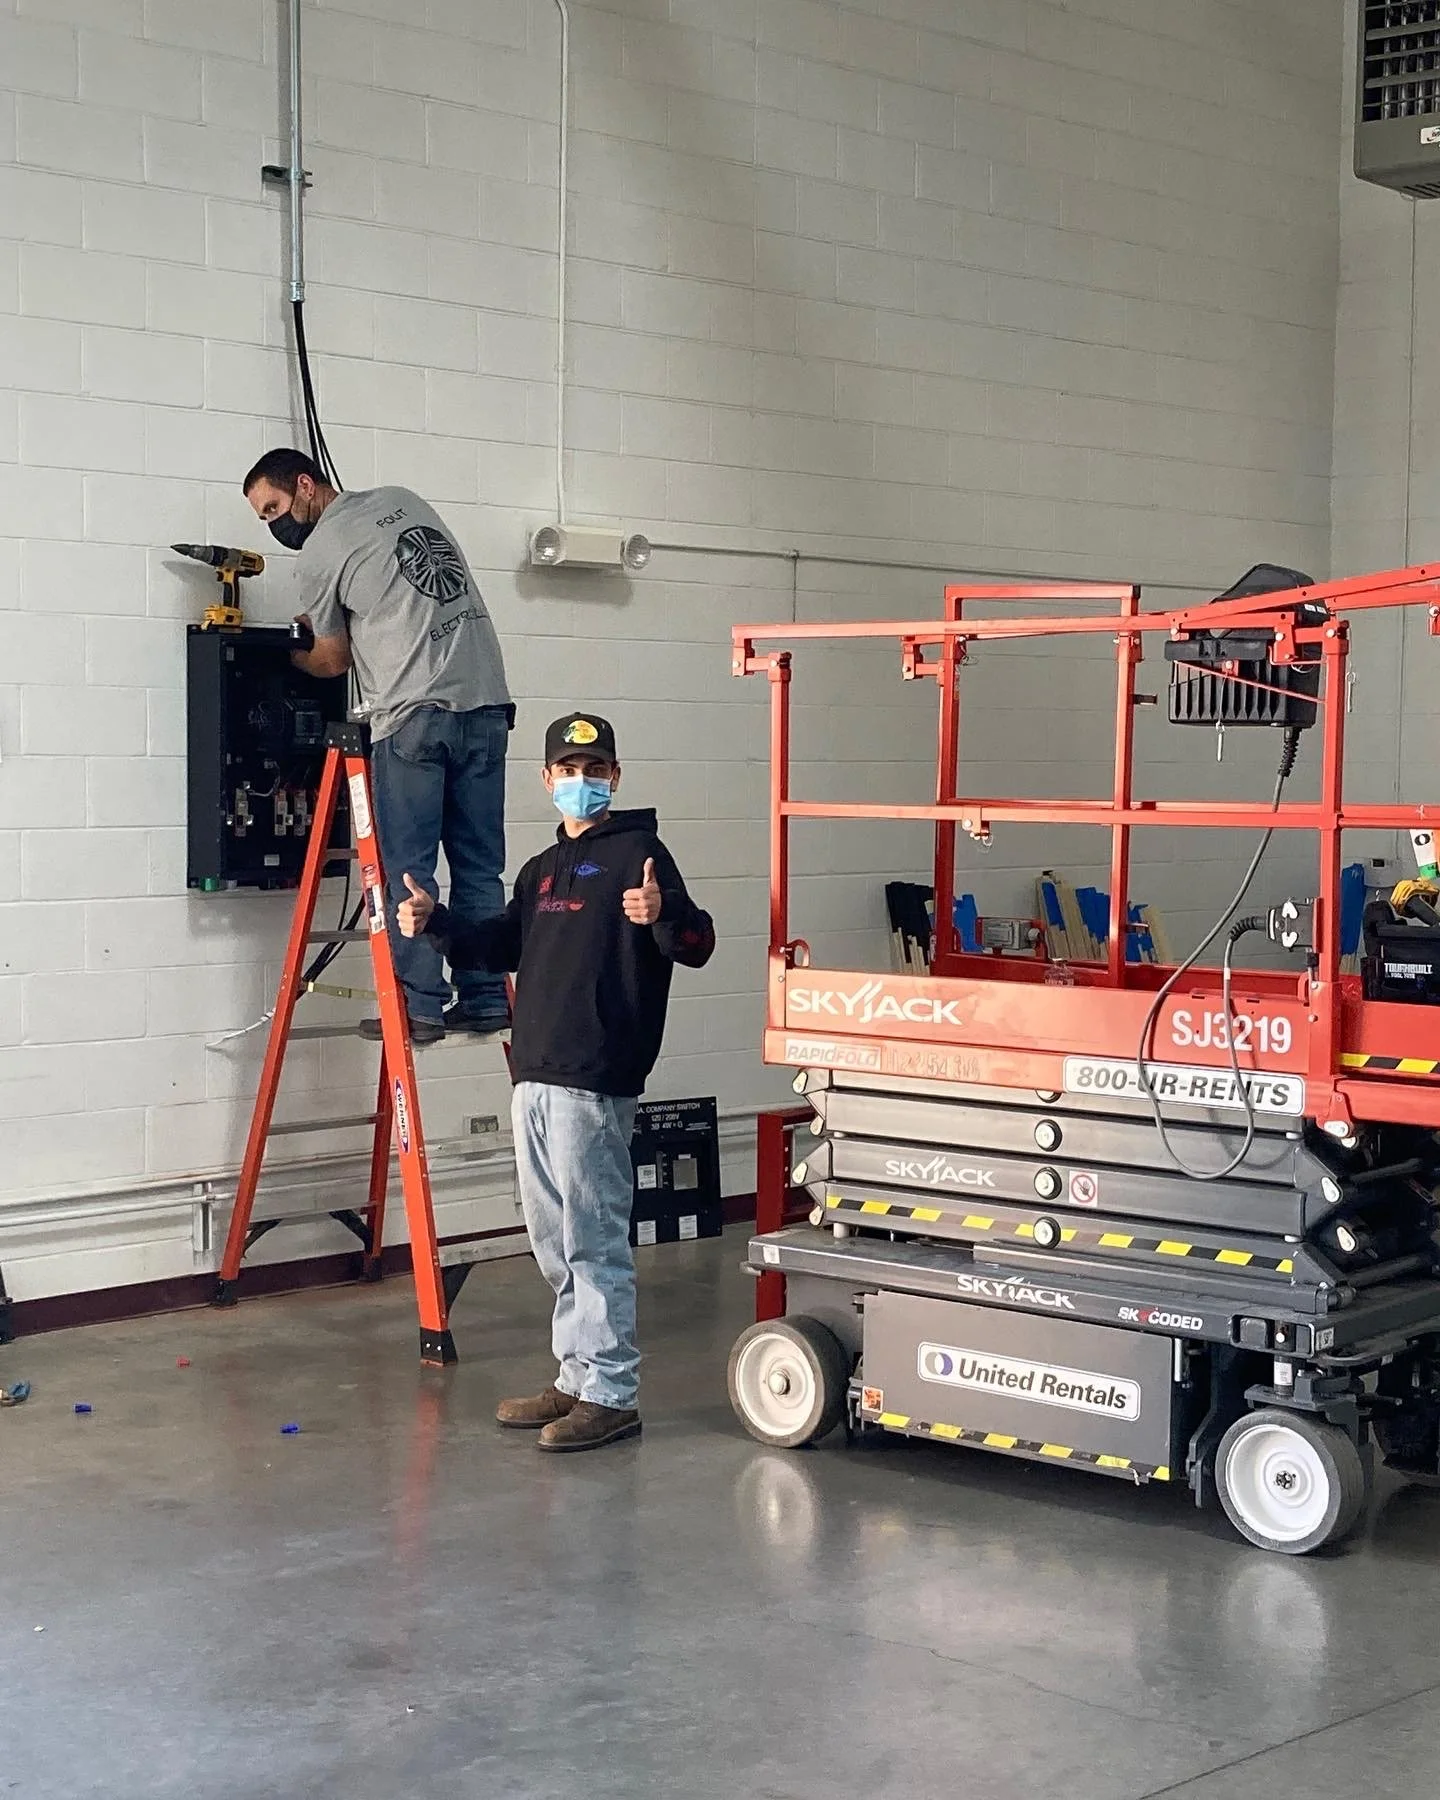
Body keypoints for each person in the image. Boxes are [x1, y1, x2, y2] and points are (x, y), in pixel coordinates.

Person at [397, 711, 716, 1453]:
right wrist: (437, 921)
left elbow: (696, 943)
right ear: (547, 780)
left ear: (616, 775)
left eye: (596, 769)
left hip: (595, 1080)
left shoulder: (641, 853)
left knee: (593, 1238)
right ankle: (576, 1377)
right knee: (552, 1239)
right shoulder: (541, 871)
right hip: (534, 1074)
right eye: (569, 772)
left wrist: (663, 915)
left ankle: (611, 1394)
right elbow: (499, 944)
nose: (583, 782)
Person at [242, 448, 512, 1045]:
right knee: (480, 865)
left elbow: (331, 658)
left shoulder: (320, 552)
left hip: (413, 717)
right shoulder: (403, 499)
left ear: (306, 485)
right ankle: (489, 996)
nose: (274, 524)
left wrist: (289, 650)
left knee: (406, 871)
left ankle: (420, 1008)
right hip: (488, 705)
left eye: (273, 509)